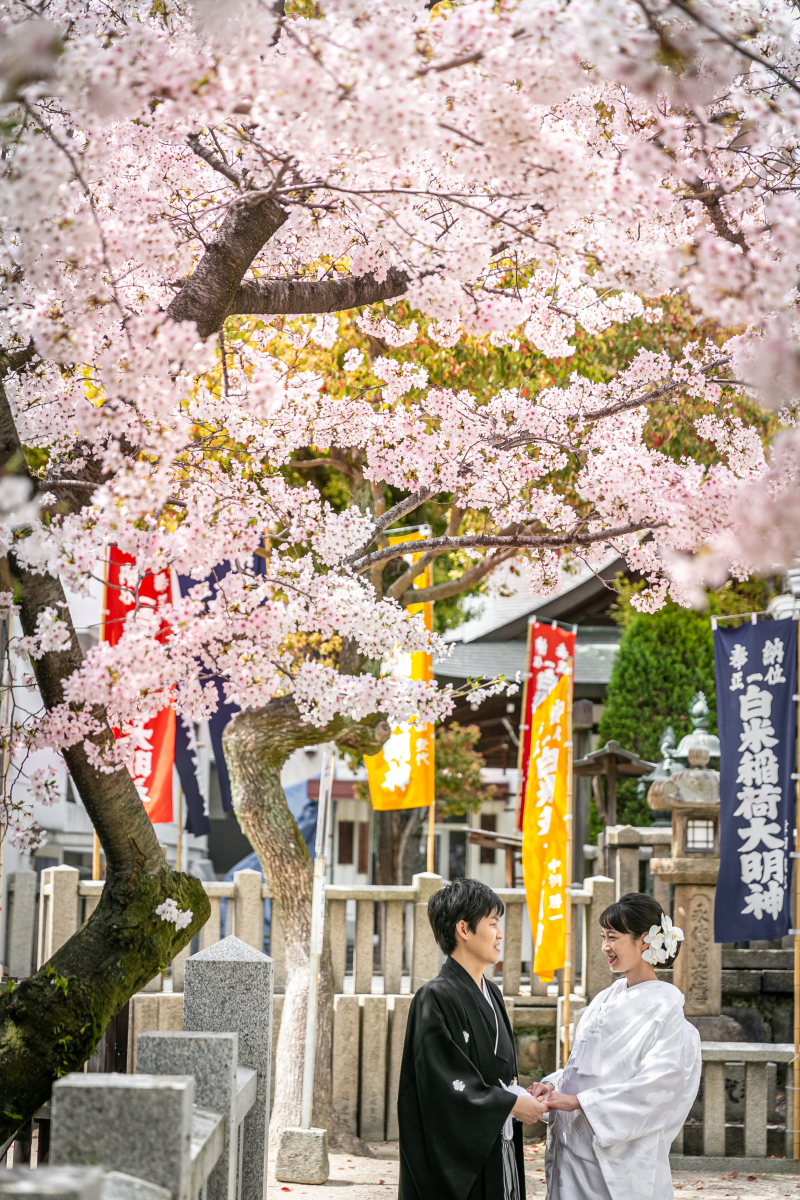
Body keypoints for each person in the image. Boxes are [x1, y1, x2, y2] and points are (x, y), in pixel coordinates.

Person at [534, 892, 702, 1200]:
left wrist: (580, 1102)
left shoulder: (666, 1009)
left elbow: (659, 1087)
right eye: (602, 937)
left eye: (613, 937)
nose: (605, 947)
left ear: (645, 941)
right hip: (574, 1146)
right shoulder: (605, 998)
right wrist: (553, 1087)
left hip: (616, 1153)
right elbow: (585, 1069)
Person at [398, 878, 544, 1200]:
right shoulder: (433, 997)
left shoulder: (491, 992)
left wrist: (519, 1093)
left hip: (498, 1144)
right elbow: (442, 1084)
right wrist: (511, 1103)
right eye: (493, 924)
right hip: (462, 1163)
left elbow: (499, 1072)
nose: (500, 934)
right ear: (463, 930)